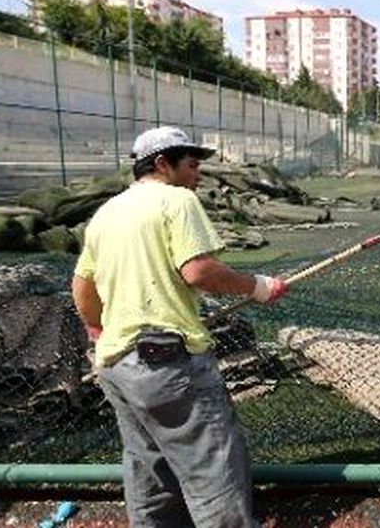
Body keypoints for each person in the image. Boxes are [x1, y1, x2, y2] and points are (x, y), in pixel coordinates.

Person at [72, 126, 289, 528]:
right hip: (166, 362)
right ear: (161, 164)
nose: (198, 174)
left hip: (116, 367)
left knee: (149, 468)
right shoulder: (176, 201)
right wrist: (258, 288)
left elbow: (82, 284)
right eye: (191, 164)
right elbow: (199, 271)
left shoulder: (108, 213)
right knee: (213, 469)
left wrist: (96, 329)